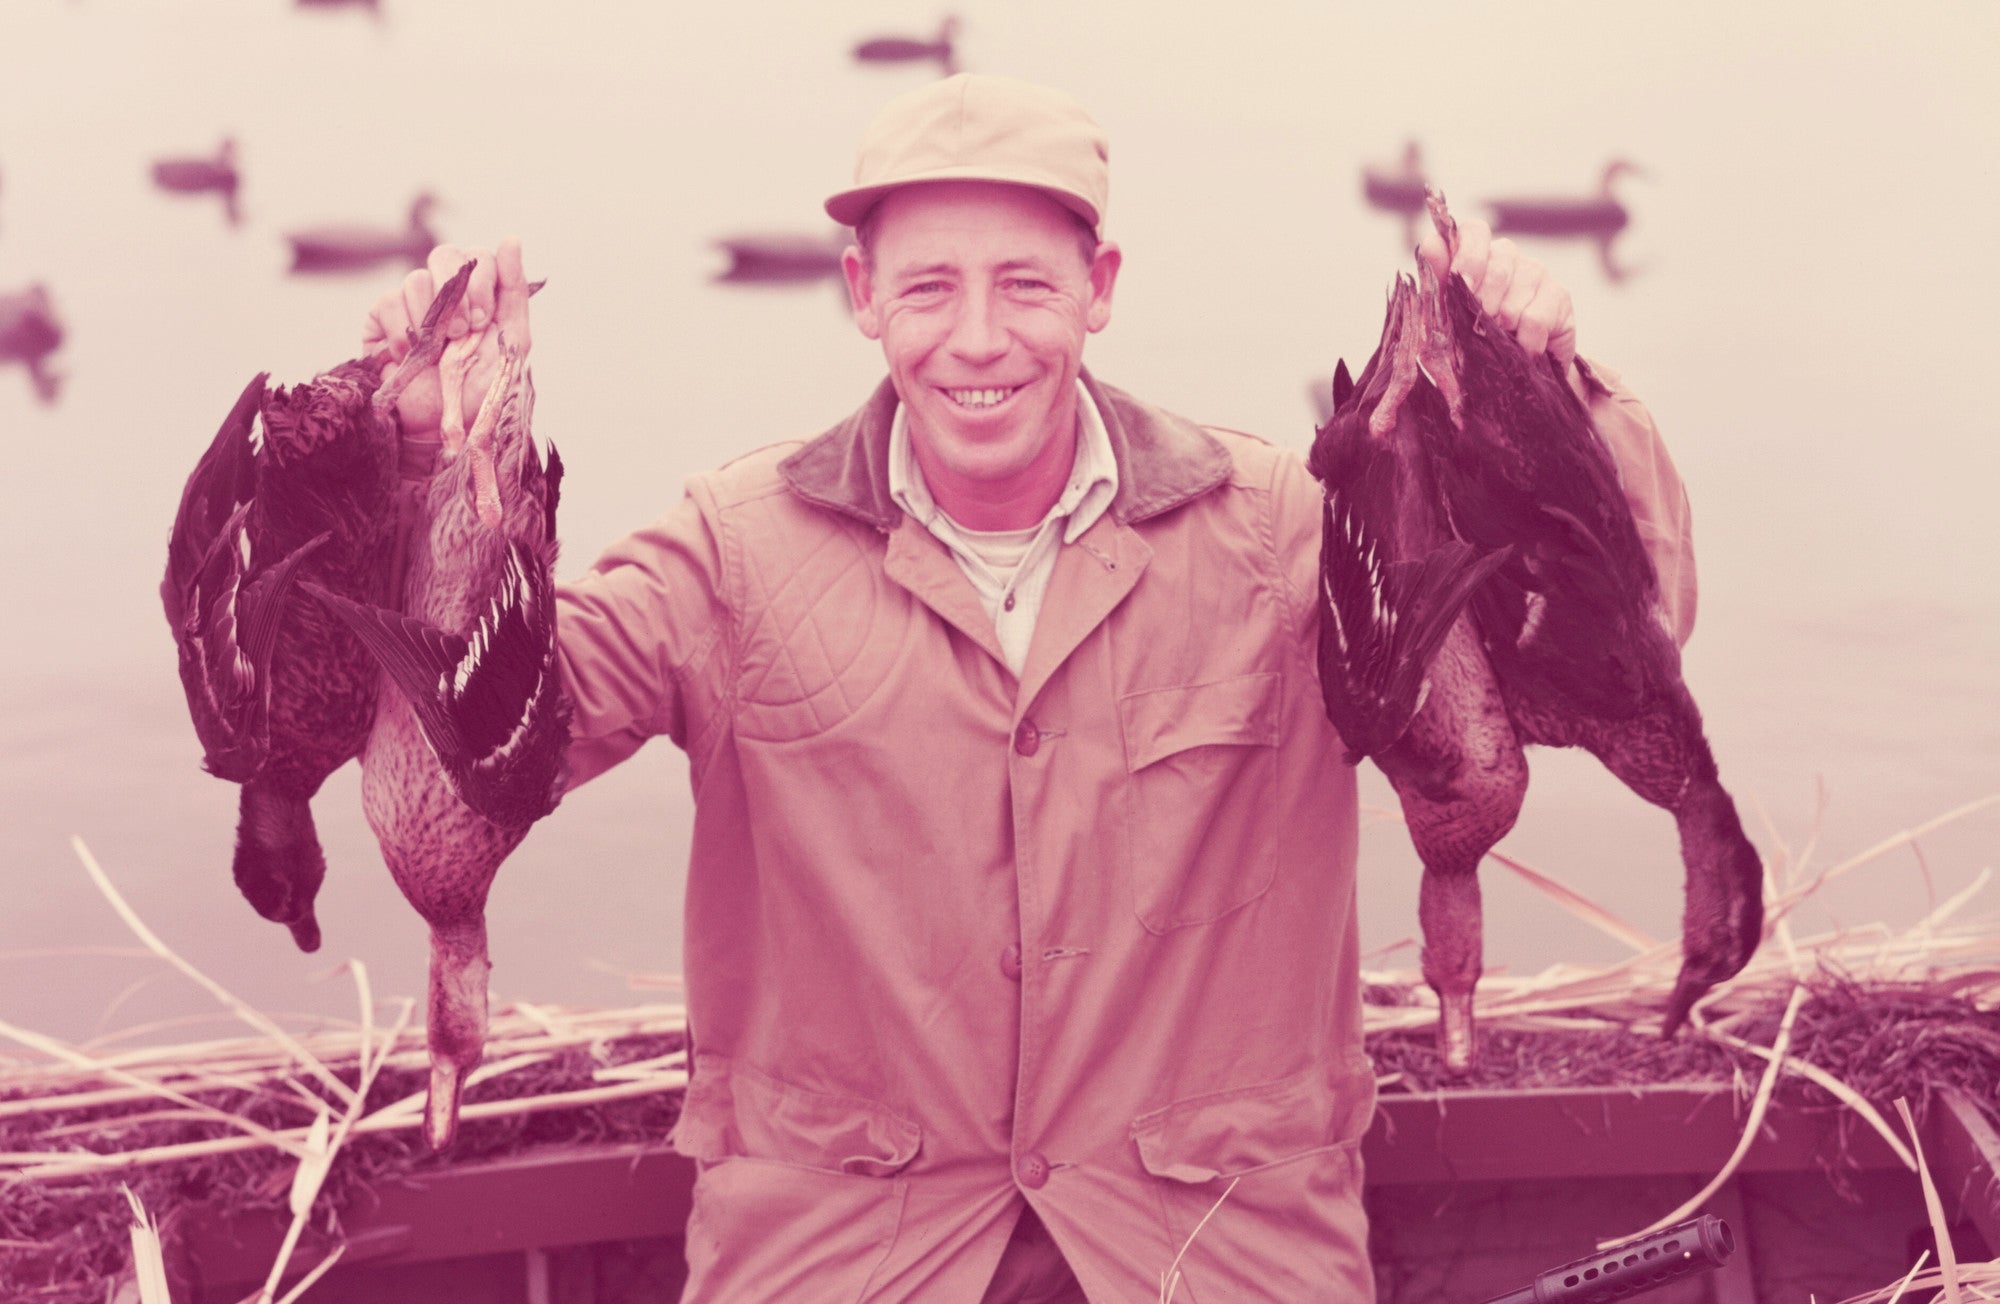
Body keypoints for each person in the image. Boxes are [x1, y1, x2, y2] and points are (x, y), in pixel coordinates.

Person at [362, 74, 1695, 1303]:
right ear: (860, 291)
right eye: (929, 288)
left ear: (1101, 282)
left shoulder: (1286, 534)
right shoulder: (730, 551)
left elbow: (1630, 637)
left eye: (1027, 285)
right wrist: (414, 463)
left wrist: (1557, 396)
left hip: (1215, 1260)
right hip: (840, 1265)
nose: (978, 340)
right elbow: (503, 743)